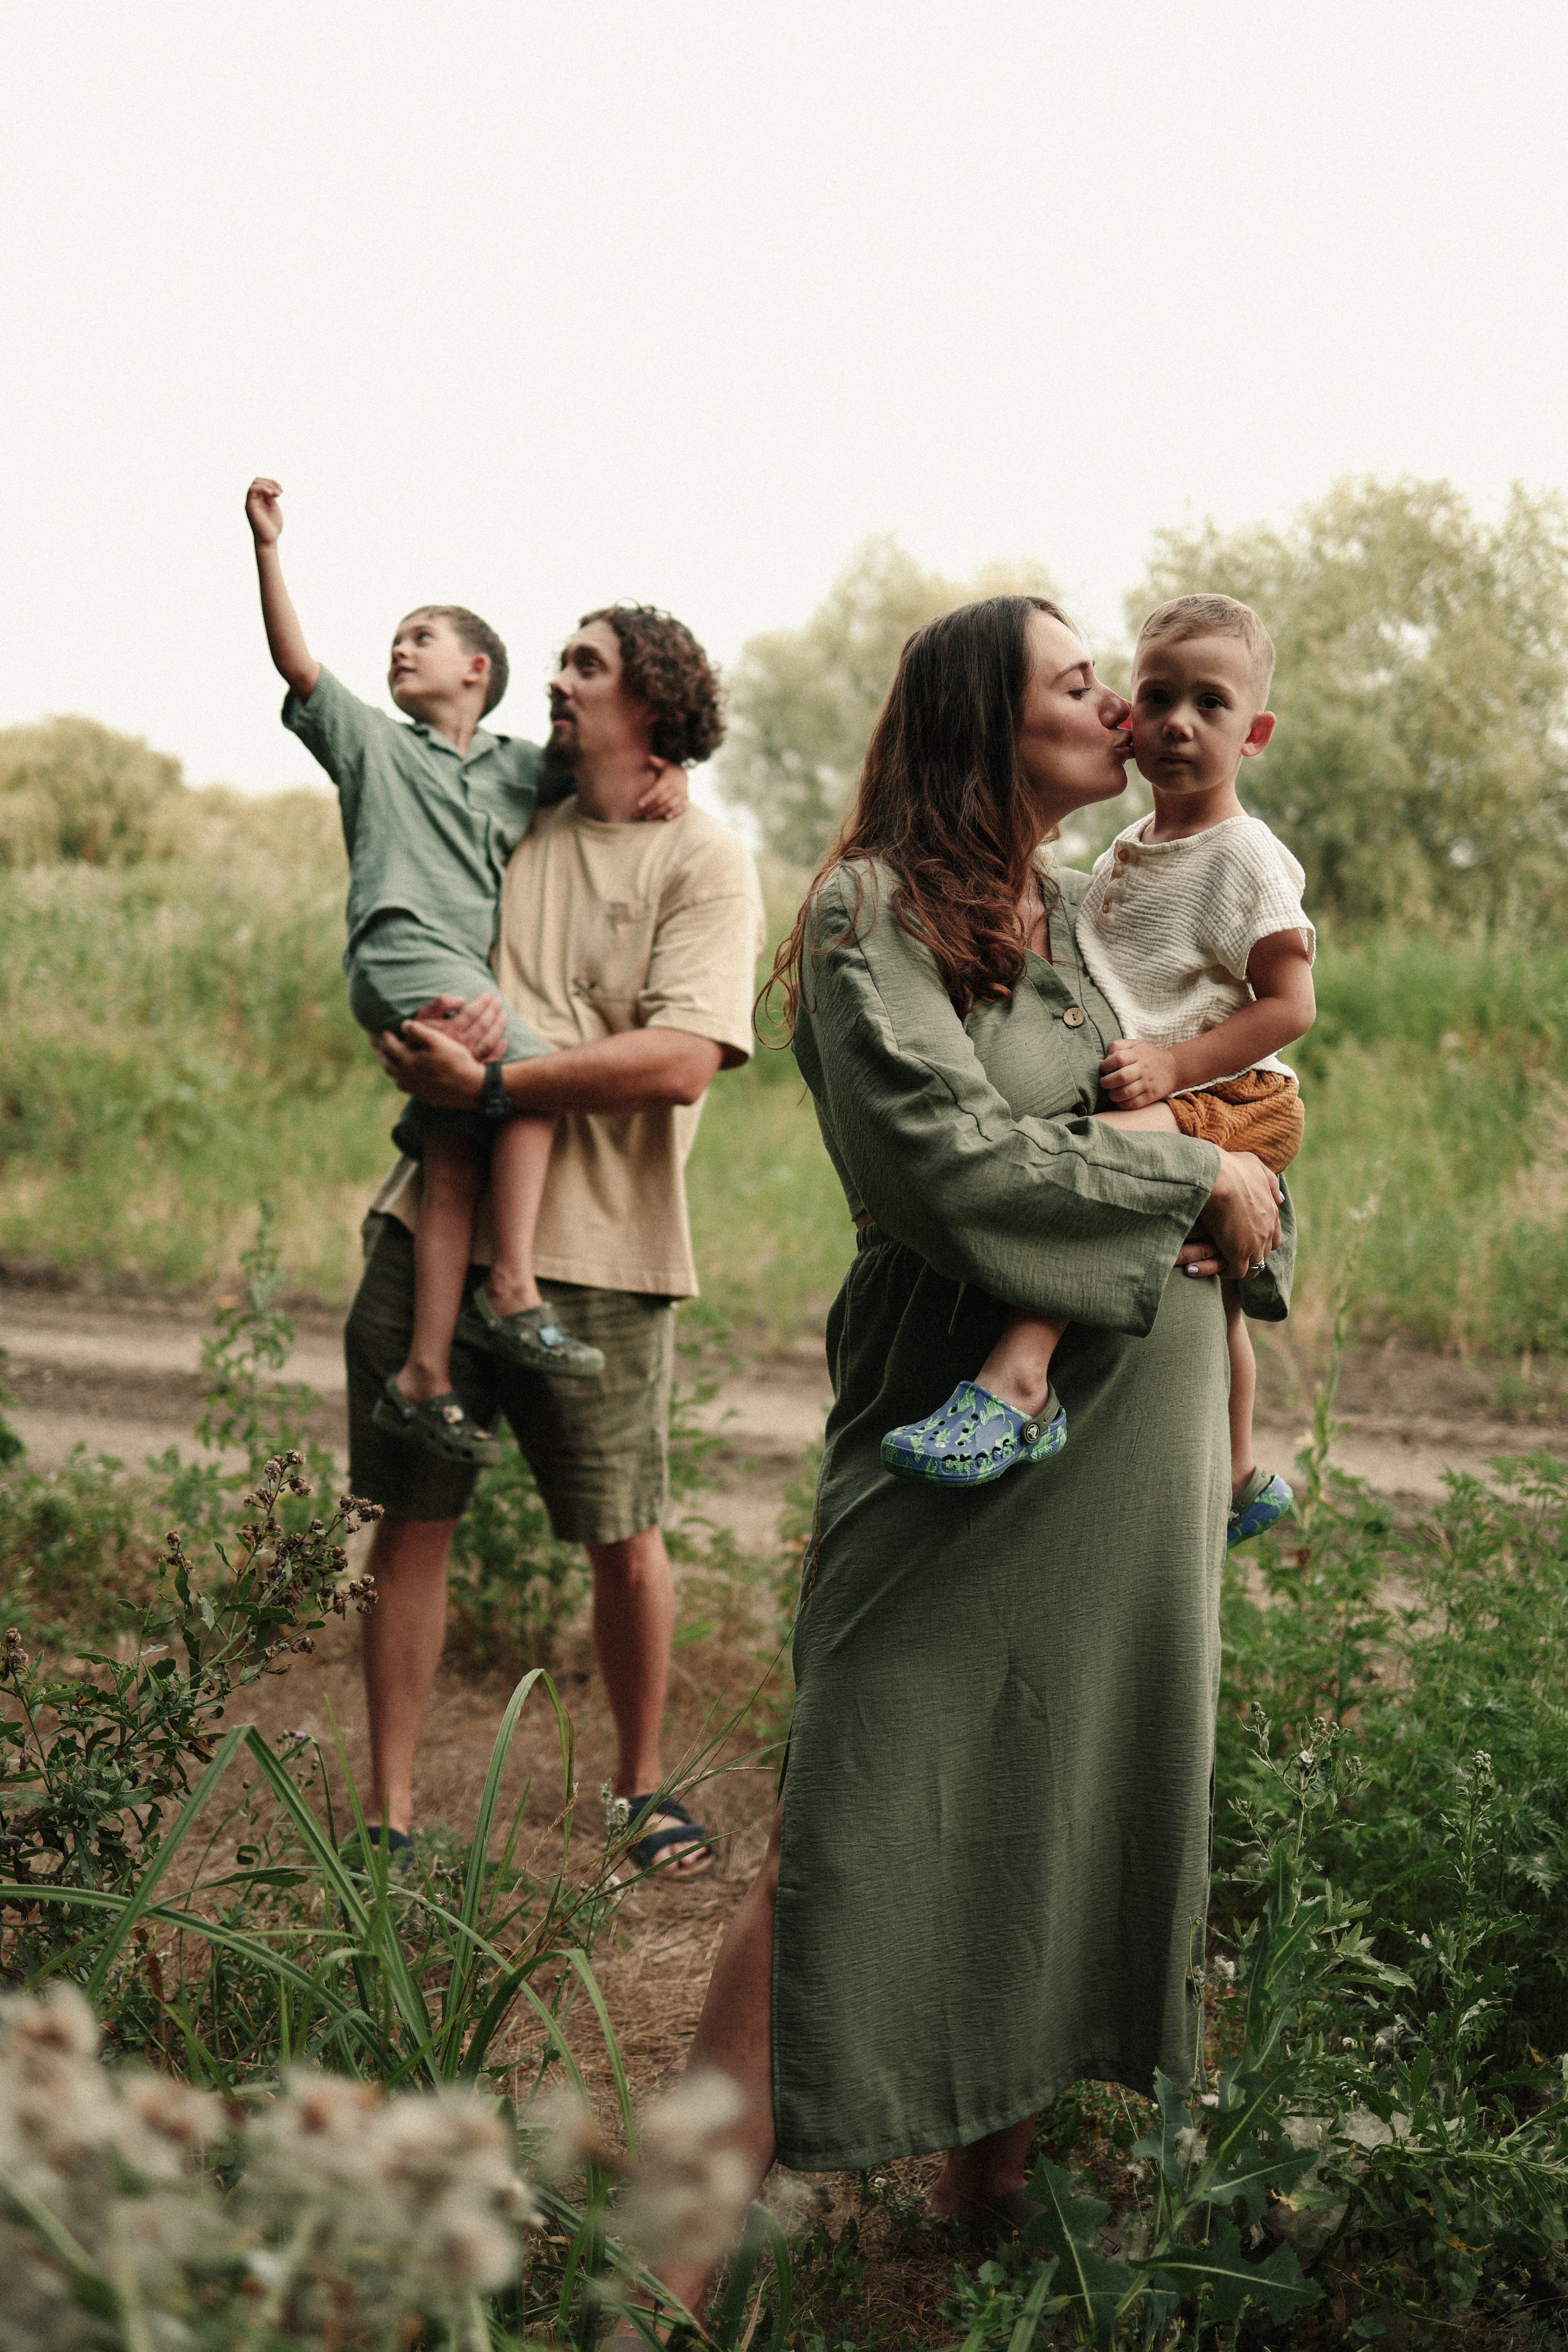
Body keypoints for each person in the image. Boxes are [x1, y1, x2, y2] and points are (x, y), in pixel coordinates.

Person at [640, 594, 1289, 2321]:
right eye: (1078, 683)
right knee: (857, 1813)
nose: (1121, 707)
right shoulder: (866, 915)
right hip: (963, 1441)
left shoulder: (1092, 918)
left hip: (1133, 1456)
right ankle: (665, 2272)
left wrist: (1244, 1201)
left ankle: (985, 2232)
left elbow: (1228, 1118)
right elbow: (949, 1159)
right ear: (978, 727)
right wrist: (1190, 1188)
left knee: (1056, 1806)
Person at [352, 603, 766, 1875]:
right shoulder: (510, 813)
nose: (559, 678)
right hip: (434, 1223)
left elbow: (682, 1061)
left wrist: (486, 1090)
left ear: (653, 704)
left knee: (622, 1534)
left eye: (587, 664)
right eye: (562, 659)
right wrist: (408, 1035)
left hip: (607, 1252)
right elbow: (408, 902)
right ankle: (388, 1816)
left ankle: (639, 1792)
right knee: (408, 1523)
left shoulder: (700, 857)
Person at [244, 478, 687, 1468]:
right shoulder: (370, 747)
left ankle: (424, 1378)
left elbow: (620, 754)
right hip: (405, 956)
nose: (400, 650)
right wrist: (269, 549)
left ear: (477, 671)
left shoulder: (517, 767)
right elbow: (296, 661)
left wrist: (676, 772)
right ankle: (517, 1290)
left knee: (453, 1169)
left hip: (448, 975)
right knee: (530, 1088)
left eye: (423, 637)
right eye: (396, 640)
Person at [880, 592, 1314, 1550]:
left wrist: (1176, 1067)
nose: (1166, 723)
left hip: (1235, 1094)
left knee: (1091, 1149)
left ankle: (1020, 1373)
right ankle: (1242, 1471)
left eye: (1211, 706)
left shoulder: (1245, 854)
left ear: (1257, 734)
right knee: (1221, 1300)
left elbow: (1292, 1008)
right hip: (1197, 1098)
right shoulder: (1122, 858)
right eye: (1154, 696)